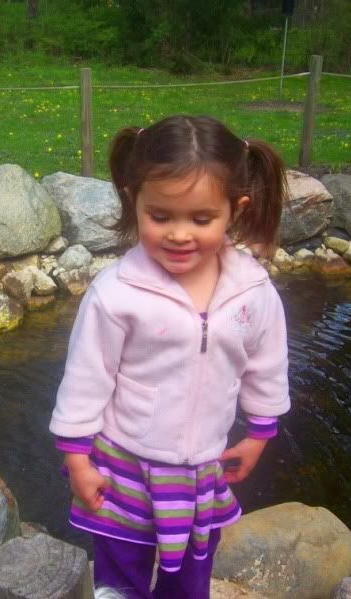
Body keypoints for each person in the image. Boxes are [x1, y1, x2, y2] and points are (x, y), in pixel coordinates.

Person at [50, 115, 290, 599]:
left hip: (202, 468)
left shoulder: (252, 291)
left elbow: (265, 365)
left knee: (191, 579)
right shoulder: (116, 293)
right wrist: (77, 459)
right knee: (120, 574)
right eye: (160, 216)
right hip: (123, 464)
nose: (180, 234)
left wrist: (260, 433)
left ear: (235, 210)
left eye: (201, 219)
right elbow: (86, 379)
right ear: (132, 200)